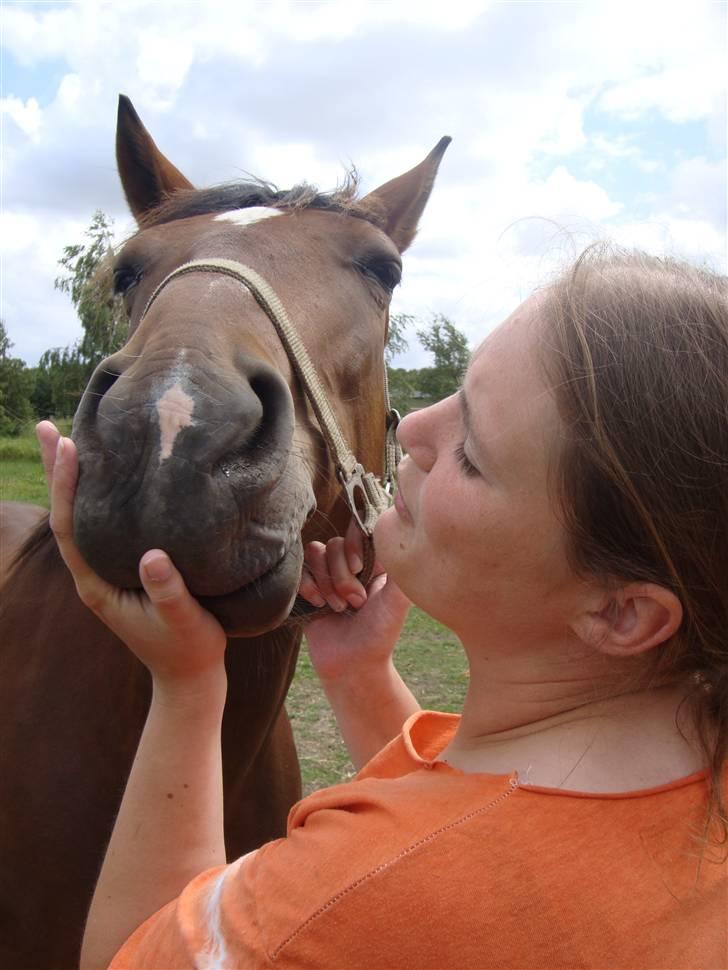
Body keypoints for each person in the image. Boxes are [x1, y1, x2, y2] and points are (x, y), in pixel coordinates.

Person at [38, 246, 727, 969]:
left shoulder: (339, 904)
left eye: (472, 455)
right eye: (456, 393)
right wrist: (361, 674)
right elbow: (485, 803)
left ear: (622, 616)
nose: (413, 427)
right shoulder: (684, 780)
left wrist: (186, 690)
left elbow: (127, 958)